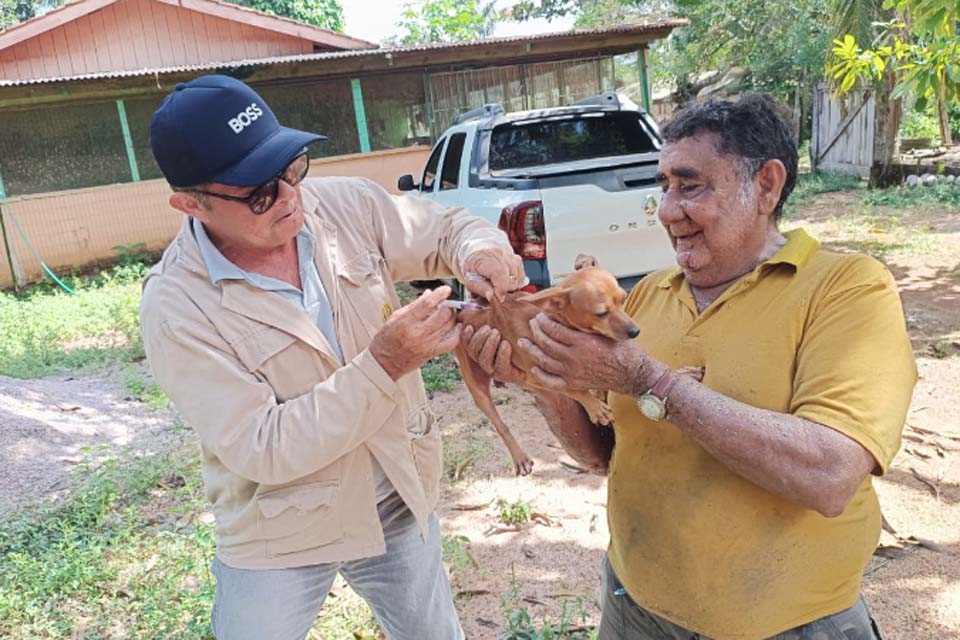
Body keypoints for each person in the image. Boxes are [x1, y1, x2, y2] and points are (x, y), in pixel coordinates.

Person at [462, 94, 917, 639]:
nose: (668, 210)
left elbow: (829, 475)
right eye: (664, 186)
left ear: (767, 187)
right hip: (635, 608)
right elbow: (603, 454)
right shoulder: (647, 296)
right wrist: (542, 382)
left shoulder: (848, 287)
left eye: (691, 185)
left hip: (790, 625)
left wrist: (651, 382)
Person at [140, 74, 524, 640]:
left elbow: (444, 227)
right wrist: (385, 363)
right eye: (259, 192)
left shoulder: (341, 206)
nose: (290, 196)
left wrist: (481, 248)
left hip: (395, 492)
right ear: (190, 204)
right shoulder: (177, 306)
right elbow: (262, 445)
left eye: (291, 167)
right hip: (279, 526)